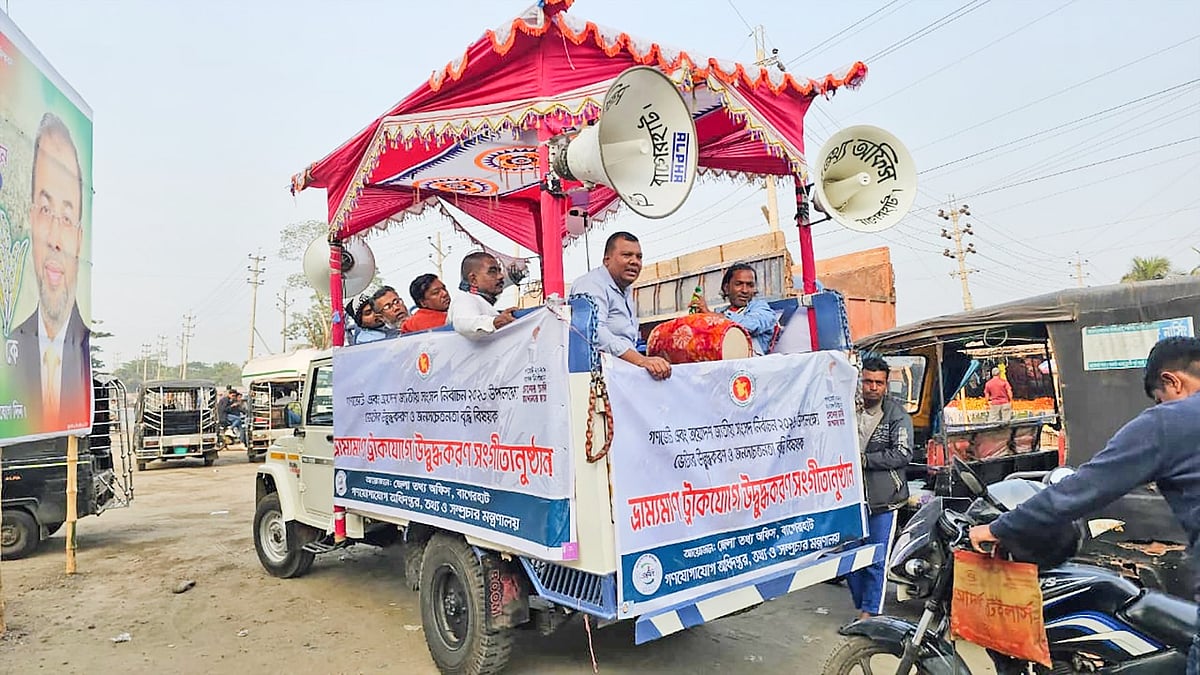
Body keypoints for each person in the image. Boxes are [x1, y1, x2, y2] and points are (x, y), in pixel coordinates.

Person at [969, 337, 1200, 673]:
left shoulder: (1169, 422)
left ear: (1171, 381)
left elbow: (1083, 488)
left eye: (1160, 400)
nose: (1160, 407)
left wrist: (998, 528)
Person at [10, 112, 91, 431]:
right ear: (31, 220)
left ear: (80, 241)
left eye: (67, 219)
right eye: (46, 211)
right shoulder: (11, 349)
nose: (56, 239)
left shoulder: (81, 353)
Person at [846, 356, 913, 622]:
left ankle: (869, 614)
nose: (873, 387)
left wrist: (864, 461)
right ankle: (863, 605)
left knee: (875, 558)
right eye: (868, 381)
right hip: (851, 496)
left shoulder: (897, 415)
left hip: (885, 498)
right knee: (849, 558)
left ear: (886, 385)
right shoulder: (849, 410)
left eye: (879, 383)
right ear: (860, 382)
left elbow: (903, 453)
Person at [570, 232, 671, 380]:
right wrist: (640, 360)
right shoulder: (591, 284)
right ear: (607, 260)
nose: (634, 261)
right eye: (627, 255)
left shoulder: (626, 290)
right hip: (597, 382)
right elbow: (594, 331)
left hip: (621, 378)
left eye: (639, 257)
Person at [687, 263, 779, 356]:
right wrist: (700, 318)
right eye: (738, 284)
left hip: (751, 367)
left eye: (750, 285)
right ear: (726, 288)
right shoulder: (719, 312)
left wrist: (711, 315)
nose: (745, 290)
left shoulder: (761, 308)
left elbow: (753, 325)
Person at [448, 252, 517, 338]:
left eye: (499, 270)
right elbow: (463, 322)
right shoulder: (465, 299)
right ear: (473, 280)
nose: (500, 276)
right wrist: (494, 322)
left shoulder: (480, 301)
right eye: (492, 272)